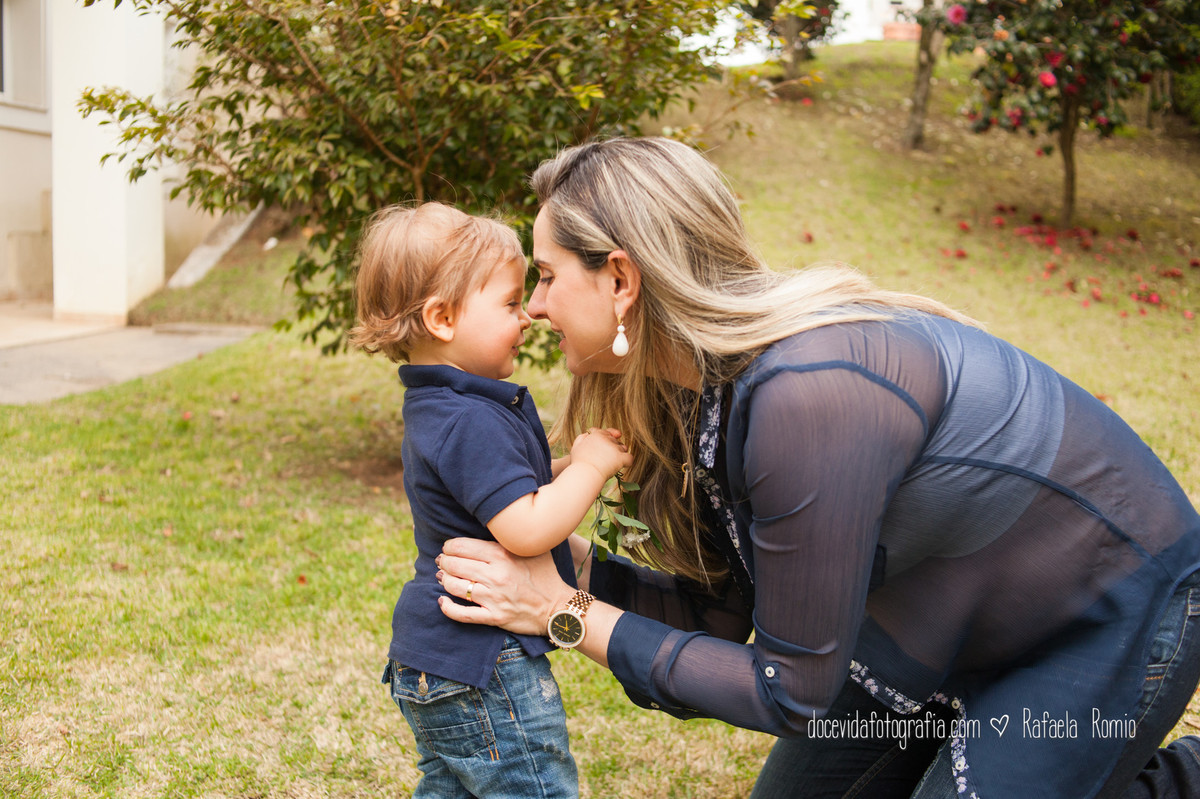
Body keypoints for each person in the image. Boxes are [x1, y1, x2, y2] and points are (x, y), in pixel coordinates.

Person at [433, 137, 1200, 798]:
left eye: (547, 275)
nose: (535, 307)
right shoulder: (692, 389)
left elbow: (789, 689)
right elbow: (721, 619)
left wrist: (562, 613)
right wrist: (573, 569)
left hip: (1100, 609)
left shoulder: (807, 393)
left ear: (621, 280)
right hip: (934, 624)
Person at [350, 202, 632, 799]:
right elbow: (525, 529)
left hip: (438, 659)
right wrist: (590, 467)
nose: (527, 317)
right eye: (509, 303)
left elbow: (506, 492)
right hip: (484, 661)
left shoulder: (444, 406)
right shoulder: (468, 420)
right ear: (443, 318)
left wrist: (571, 470)